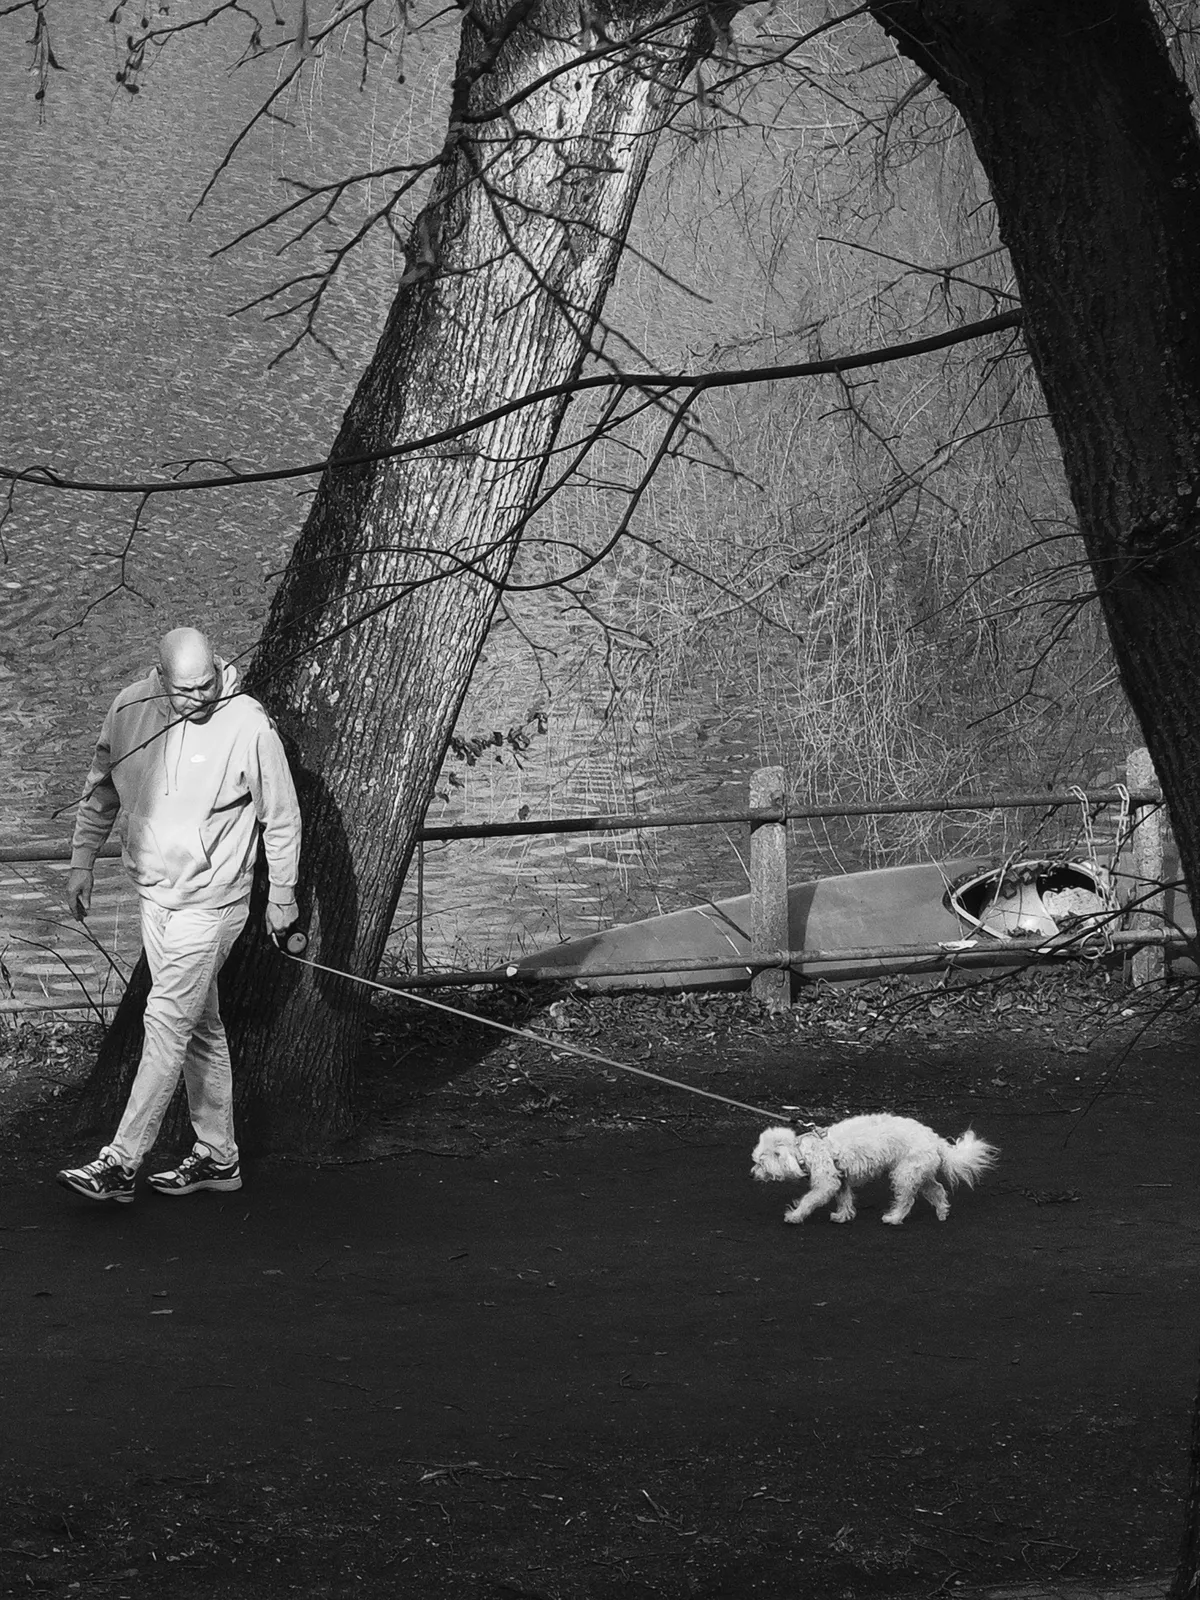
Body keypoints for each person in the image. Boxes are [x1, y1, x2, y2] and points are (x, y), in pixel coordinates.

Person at [56, 627, 302, 1204]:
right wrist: (81, 862)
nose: (200, 699)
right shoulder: (129, 709)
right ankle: (219, 1156)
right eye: (186, 690)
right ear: (159, 677)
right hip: (154, 895)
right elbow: (101, 792)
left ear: (218, 669)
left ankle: (120, 1162)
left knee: (165, 1021)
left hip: (212, 902)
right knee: (199, 1028)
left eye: (207, 684)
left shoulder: (247, 724)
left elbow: (282, 815)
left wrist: (283, 894)